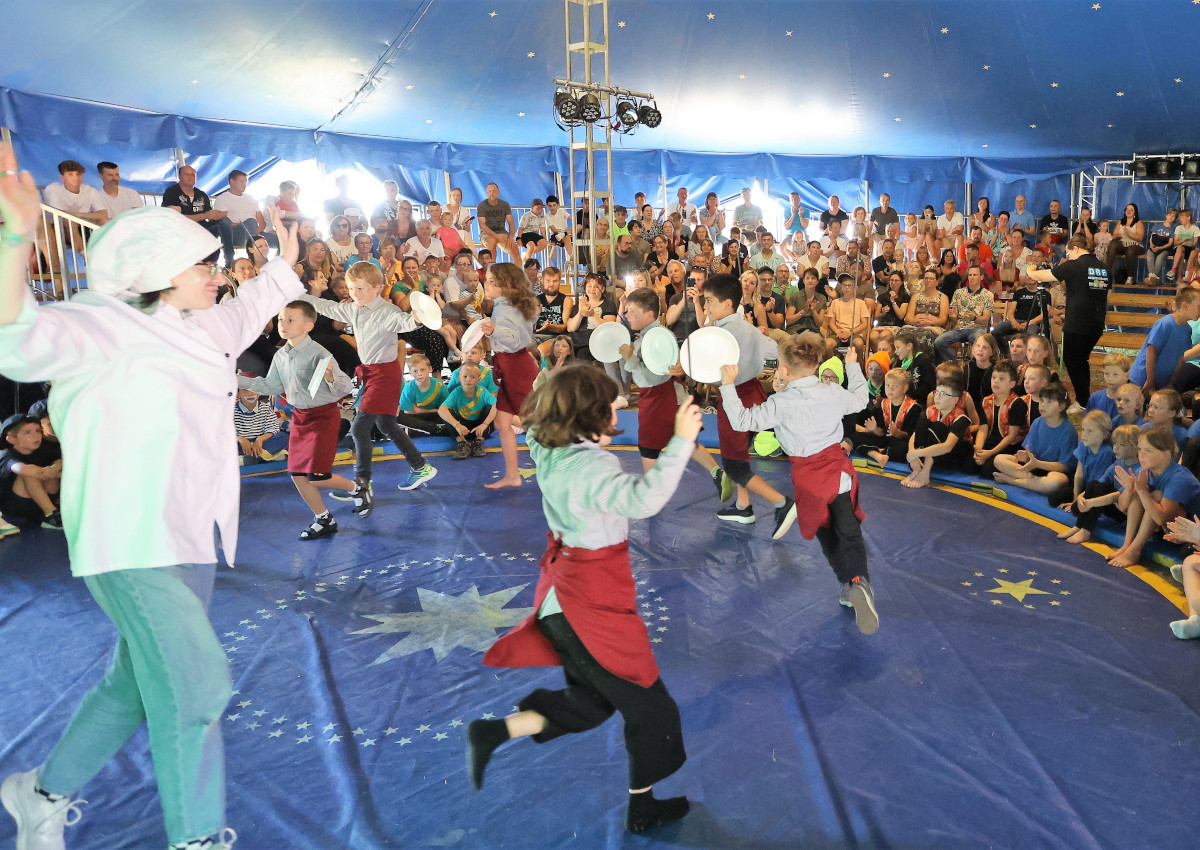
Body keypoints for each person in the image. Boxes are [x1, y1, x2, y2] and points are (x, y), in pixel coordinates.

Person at [0, 142, 307, 850]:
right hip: (129, 535)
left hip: (191, 533)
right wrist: (17, 238)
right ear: (151, 273)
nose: (216, 272)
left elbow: (257, 302)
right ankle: (197, 839)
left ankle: (39, 793)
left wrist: (284, 260)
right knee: (196, 687)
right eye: (200, 262)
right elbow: (15, 343)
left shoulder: (201, 324)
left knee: (137, 683)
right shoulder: (97, 325)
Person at [470, 364, 700, 833]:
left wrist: (552, 380)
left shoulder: (549, 448)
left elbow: (533, 416)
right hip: (586, 607)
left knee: (593, 703)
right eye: (611, 404)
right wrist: (681, 441)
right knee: (650, 708)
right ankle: (642, 809)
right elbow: (643, 500)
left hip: (566, 595)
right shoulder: (590, 463)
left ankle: (495, 732)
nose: (620, 408)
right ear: (587, 414)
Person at [720, 336, 879, 632]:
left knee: (826, 532)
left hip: (807, 479)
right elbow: (861, 399)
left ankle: (846, 584)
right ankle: (860, 581)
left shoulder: (781, 403)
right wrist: (853, 366)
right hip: (837, 473)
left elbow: (741, 421)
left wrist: (727, 385)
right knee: (849, 529)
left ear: (783, 369)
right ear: (817, 364)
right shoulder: (830, 391)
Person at [300, 262, 438, 501]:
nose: (354, 294)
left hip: (385, 375)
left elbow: (404, 322)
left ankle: (362, 481)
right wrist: (298, 296)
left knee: (359, 427)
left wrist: (416, 319)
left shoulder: (388, 311)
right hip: (371, 373)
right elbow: (326, 307)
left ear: (377, 288)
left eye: (360, 289)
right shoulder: (355, 308)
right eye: (352, 289)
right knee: (386, 425)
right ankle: (420, 466)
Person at [237, 300, 357, 539]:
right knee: (297, 474)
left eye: (290, 320)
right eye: (281, 319)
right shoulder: (281, 355)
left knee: (318, 476)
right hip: (301, 418)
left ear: (308, 326)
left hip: (324, 416)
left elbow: (345, 386)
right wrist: (236, 381)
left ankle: (358, 488)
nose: (283, 324)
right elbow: (271, 386)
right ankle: (323, 518)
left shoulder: (320, 354)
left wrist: (332, 377)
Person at [700, 274, 797, 534]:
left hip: (735, 398)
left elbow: (705, 370)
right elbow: (771, 351)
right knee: (739, 457)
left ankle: (782, 502)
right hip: (753, 393)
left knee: (734, 465)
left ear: (728, 304)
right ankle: (744, 507)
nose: (706, 306)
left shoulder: (723, 334)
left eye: (709, 301)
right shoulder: (747, 327)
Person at [618, 288, 734, 502]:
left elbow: (655, 377)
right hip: (671, 395)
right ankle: (717, 472)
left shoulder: (653, 338)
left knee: (648, 446)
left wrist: (630, 359)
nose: (627, 315)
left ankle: (651, 494)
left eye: (632, 311)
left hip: (658, 398)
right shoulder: (653, 334)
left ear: (649, 315)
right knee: (684, 438)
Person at [481, 262, 540, 489]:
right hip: (513, 365)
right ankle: (512, 474)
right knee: (502, 422)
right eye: (487, 279)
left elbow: (514, 340)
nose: (485, 284)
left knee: (535, 424)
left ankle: (560, 469)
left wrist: (495, 331)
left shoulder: (504, 309)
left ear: (504, 286)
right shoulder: (510, 305)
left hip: (516, 368)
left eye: (491, 282)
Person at [1109, 427, 1200, 568]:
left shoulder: (1179, 478)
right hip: (1164, 528)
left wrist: (1141, 491)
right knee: (1143, 492)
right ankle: (1127, 545)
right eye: (1140, 450)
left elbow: (1160, 518)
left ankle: (1134, 550)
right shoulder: (1145, 470)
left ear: (1166, 454)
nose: (1141, 455)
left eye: (1148, 451)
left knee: (1153, 494)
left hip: (1188, 532)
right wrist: (1128, 490)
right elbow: (1122, 507)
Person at [992, 382, 1078, 494]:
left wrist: (1038, 463)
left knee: (1056, 482)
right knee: (999, 459)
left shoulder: (1068, 431)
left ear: (1061, 406)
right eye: (1041, 401)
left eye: (1049, 402)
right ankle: (1034, 483)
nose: (1043, 405)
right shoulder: (1038, 422)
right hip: (1035, 467)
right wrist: (1026, 456)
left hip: (1053, 471)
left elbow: (1065, 467)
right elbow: (1032, 452)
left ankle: (1013, 481)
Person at [1057, 411, 1119, 544]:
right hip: (1089, 488)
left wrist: (1081, 500)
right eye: (1083, 430)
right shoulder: (1084, 445)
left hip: (1102, 494)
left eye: (1090, 431)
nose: (1084, 435)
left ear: (1104, 435)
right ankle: (1077, 526)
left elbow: (1099, 484)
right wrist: (1075, 499)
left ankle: (1084, 529)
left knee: (1088, 494)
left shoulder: (1106, 452)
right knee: (1058, 498)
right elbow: (1079, 474)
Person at [1129, 288, 1200, 396]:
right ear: (1185, 306)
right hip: (1141, 381)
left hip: (1160, 384)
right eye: (1199, 306)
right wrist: (1150, 380)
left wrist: (1171, 384)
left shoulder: (1187, 330)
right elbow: (1151, 350)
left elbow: (1181, 358)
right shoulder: (1165, 323)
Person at [0, 413, 63, 529]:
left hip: (38, 504)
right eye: (27, 432)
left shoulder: (42, 450)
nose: (36, 436)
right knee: (29, 473)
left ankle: (51, 512)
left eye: (38, 431)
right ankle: (51, 514)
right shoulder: (6, 454)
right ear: (11, 439)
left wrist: (53, 469)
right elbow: (21, 468)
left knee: (53, 470)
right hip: (16, 508)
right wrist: (49, 472)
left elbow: (60, 461)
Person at [974, 360, 1028, 477]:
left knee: (987, 470)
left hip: (1009, 447)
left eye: (1001, 379)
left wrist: (990, 453)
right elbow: (983, 428)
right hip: (990, 443)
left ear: (1012, 384)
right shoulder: (986, 401)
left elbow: (1011, 436)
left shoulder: (1016, 403)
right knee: (969, 465)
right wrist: (978, 450)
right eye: (994, 377)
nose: (996, 381)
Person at [935, 265, 994, 362]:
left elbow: (986, 319)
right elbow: (953, 316)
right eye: (970, 275)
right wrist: (953, 317)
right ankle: (953, 364)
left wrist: (974, 318)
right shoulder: (958, 292)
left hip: (977, 328)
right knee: (939, 341)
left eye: (975, 275)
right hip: (959, 328)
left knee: (980, 340)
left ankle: (974, 365)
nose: (972, 277)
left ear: (981, 277)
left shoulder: (988, 294)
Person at [438, 361, 497, 459]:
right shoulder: (456, 392)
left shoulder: (482, 391)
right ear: (459, 378)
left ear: (479, 379)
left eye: (472, 377)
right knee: (448, 413)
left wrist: (485, 424)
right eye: (465, 377)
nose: (468, 380)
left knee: (489, 408)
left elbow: (496, 405)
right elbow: (441, 410)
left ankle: (479, 441)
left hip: (479, 428)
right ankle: (462, 442)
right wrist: (457, 425)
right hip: (462, 428)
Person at [213, 170, 263, 258]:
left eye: (246, 182)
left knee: (253, 223)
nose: (244, 184)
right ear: (232, 181)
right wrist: (244, 225)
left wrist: (254, 231)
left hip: (253, 232)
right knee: (250, 221)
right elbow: (224, 224)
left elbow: (262, 223)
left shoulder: (251, 199)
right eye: (242, 181)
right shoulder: (223, 198)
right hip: (233, 234)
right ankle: (252, 258)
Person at [478, 183, 520, 261]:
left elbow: (511, 222)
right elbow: (482, 226)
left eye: (494, 191)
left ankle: (518, 272)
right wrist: (497, 236)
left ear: (498, 192)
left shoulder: (505, 205)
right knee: (492, 242)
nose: (491, 193)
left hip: (502, 233)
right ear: (487, 193)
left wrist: (511, 237)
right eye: (489, 191)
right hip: (486, 234)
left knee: (515, 251)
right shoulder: (481, 206)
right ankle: (492, 270)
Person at [1170, 209, 1198, 282]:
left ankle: (1178, 273)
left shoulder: (1195, 229)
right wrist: (1184, 241)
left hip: (1190, 248)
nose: (1180, 219)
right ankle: (1180, 276)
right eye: (1180, 217)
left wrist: (1186, 244)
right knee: (1180, 250)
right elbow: (1175, 242)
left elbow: (1194, 243)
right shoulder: (1178, 228)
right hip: (1179, 248)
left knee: (1187, 252)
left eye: (1182, 217)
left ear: (1188, 218)